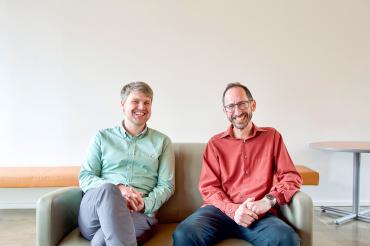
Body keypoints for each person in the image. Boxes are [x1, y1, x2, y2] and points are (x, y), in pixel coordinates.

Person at [173, 82, 302, 246]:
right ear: (225, 111)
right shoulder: (215, 144)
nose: (238, 111)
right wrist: (234, 210)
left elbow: (291, 177)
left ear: (252, 105)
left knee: (286, 238)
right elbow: (209, 188)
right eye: (231, 106)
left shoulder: (272, 137)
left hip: (258, 213)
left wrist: (268, 201)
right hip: (219, 212)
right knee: (185, 234)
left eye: (242, 104)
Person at [78, 81, 175, 246]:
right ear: (123, 104)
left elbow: (167, 185)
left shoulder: (162, 142)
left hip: (137, 214)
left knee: (101, 241)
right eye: (135, 101)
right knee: (109, 189)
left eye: (147, 102)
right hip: (94, 213)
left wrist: (145, 204)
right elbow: (85, 177)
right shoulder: (101, 137)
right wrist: (118, 189)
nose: (142, 107)